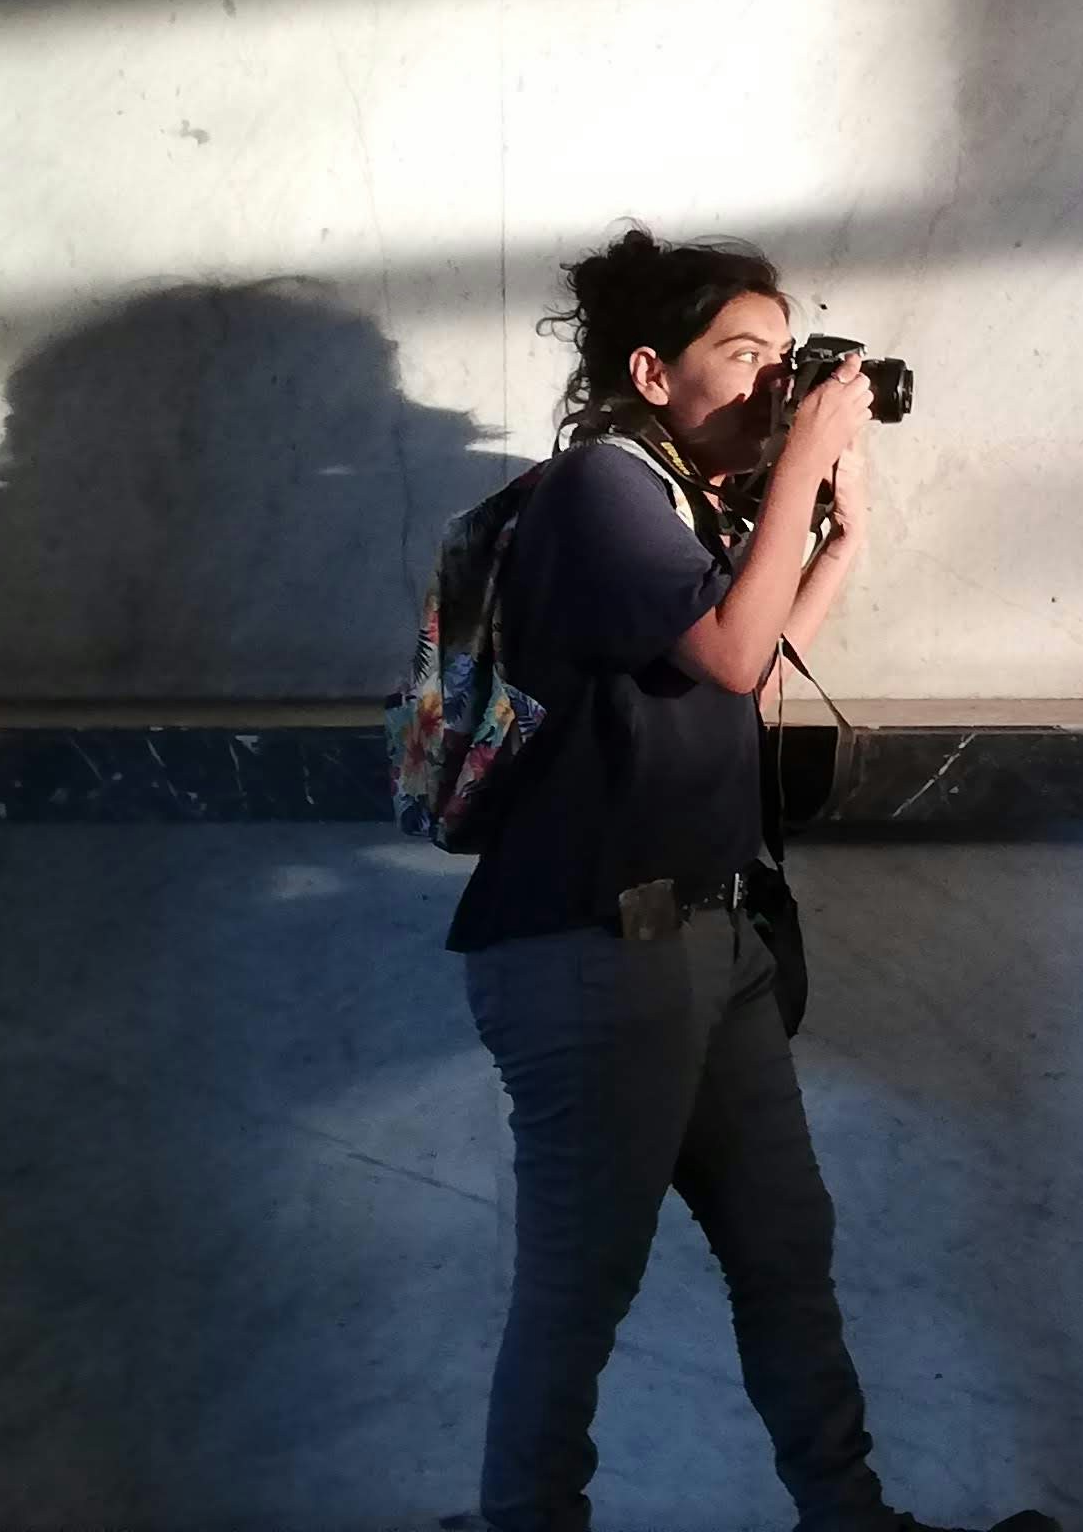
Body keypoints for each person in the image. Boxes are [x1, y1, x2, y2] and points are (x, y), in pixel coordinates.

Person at [451, 229, 1052, 1532]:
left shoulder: (686, 504)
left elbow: (755, 679)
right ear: (654, 372)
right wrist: (798, 480)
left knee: (786, 1252)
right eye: (746, 358)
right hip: (588, 951)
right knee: (578, 1291)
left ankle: (853, 1522)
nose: (780, 386)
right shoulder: (598, 491)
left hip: (710, 946)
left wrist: (838, 537)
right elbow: (731, 655)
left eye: (791, 360)